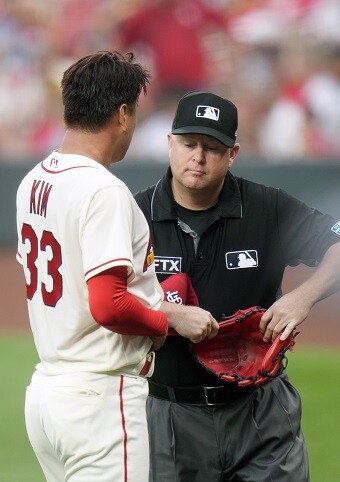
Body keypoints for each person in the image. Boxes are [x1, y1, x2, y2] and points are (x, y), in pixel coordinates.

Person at [15, 53, 218, 482]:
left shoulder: (33, 180)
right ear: (122, 114)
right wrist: (163, 322)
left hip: (48, 393)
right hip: (99, 401)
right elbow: (109, 305)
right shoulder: (103, 190)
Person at [134, 91, 340, 482]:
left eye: (213, 147)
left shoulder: (268, 207)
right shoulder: (134, 214)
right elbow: (102, 295)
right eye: (189, 144)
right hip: (171, 416)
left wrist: (302, 298)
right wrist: (170, 313)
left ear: (233, 153)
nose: (198, 156)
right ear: (169, 144)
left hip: (261, 414)